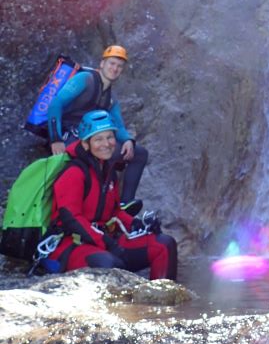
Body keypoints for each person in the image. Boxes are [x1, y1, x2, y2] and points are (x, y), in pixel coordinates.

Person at [46, 111, 177, 279]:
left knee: (164, 244)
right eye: (98, 139)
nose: (106, 144)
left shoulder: (108, 170)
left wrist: (136, 224)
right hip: (73, 244)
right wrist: (105, 242)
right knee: (108, 263)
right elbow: (71, 219)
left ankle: (162, 294)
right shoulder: (73, 173)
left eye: (110, 137)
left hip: (105, 239)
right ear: (85, 144)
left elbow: (114, 212)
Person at [47, 45, 148, 213]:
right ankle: (97, 205)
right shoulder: (85, 79)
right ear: (102, 64)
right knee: (103, 152)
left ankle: (125, 205)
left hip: (91, 139)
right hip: (68, 135)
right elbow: (56, 104)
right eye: (112, 63)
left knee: (139, 153)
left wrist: (128, 140)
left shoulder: (111, 97)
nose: (115, 69)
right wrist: (55, 138)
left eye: (119, 66)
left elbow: (118, 125)